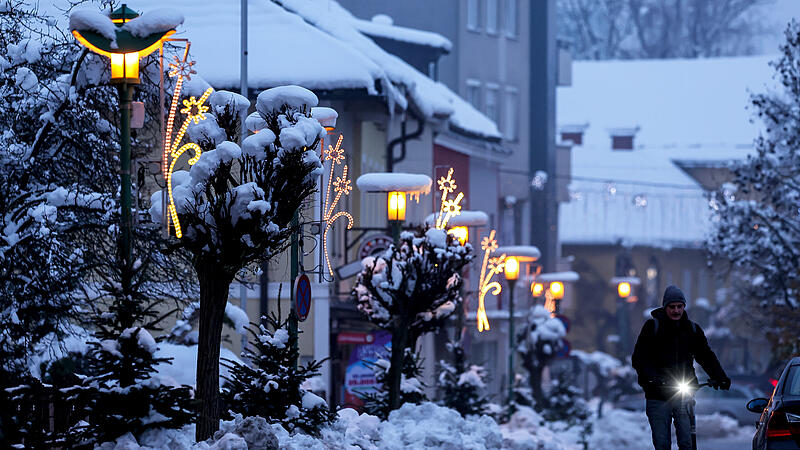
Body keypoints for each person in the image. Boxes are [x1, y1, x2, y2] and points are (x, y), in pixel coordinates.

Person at [632, 285, 730, 450]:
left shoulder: (692, 329)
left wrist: (720, 376)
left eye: (679, 306)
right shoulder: (652, 328)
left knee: (687, 442)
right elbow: (639, 358)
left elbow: (705, 355)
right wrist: (652, 378)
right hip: (657, 394)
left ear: (684, 307)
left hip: (683, 391)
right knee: (662, 443)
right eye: (672, 307)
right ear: (665, 307)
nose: (676, 310)